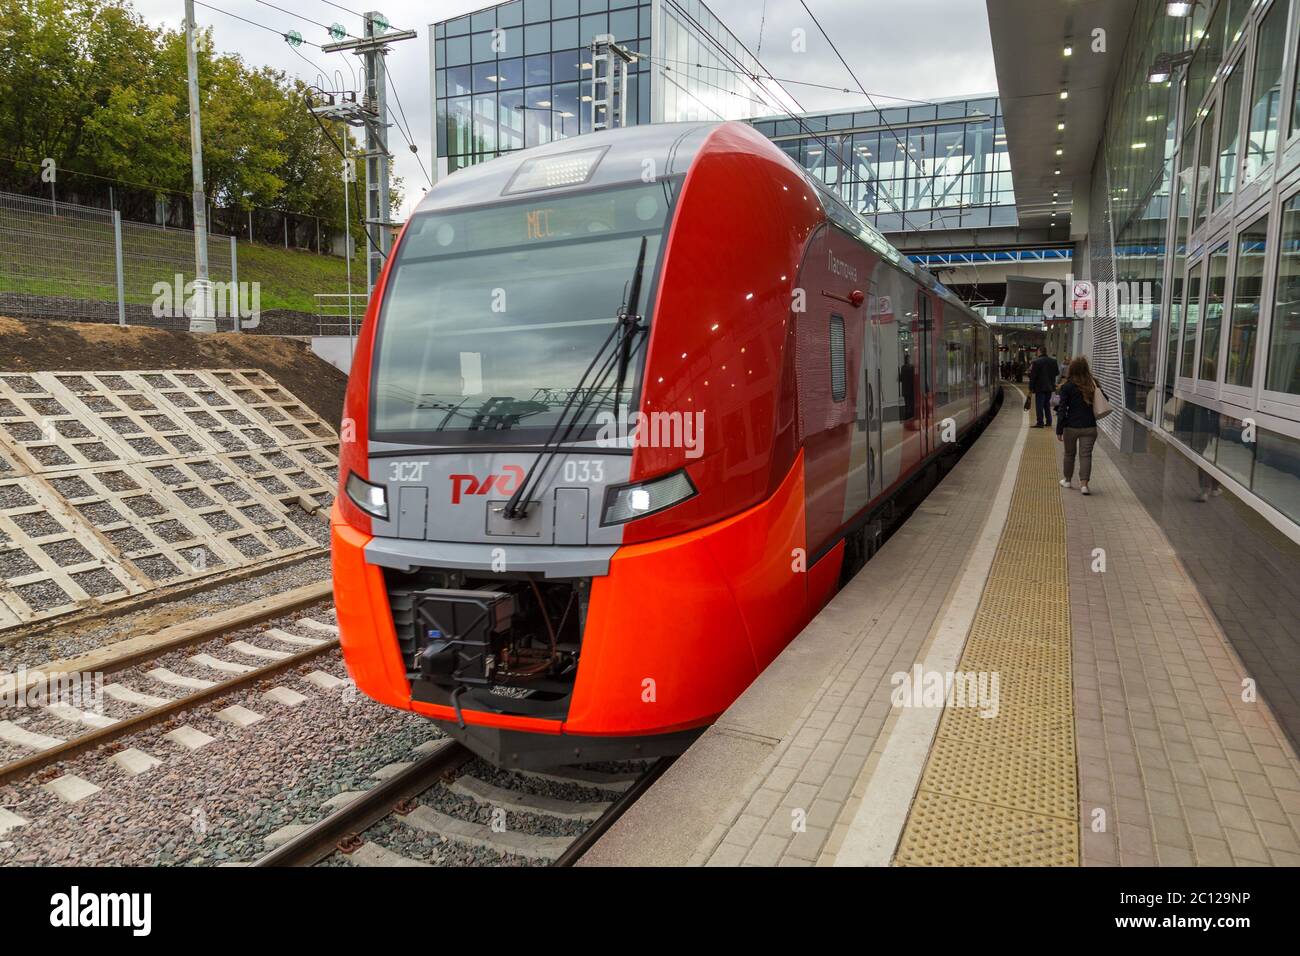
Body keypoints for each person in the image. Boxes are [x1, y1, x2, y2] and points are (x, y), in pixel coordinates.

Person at [1056, 355, 1104, 495]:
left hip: (1071, 427)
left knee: (1069, 454)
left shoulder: (1067, 386)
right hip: (1089, 426)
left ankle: (1068, 480)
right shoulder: (1093, 383)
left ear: (1072, 369)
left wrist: (1059, 429)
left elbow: (1062, 409)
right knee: (1086, 455)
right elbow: (1105, 398)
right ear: (1086, 369)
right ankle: (1084, 485)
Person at [1027, 346, 1060, 428]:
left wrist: (1031, 388)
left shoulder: (1036, 362)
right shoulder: (1053, 361)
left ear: (1039, 351)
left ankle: (1040, 422)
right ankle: (1049, 421)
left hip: (1040, 388)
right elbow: (1057, 373)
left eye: (1037, 351)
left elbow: (1033, 377)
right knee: (1046, 405)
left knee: (1039, 406)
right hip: (1049, 387)